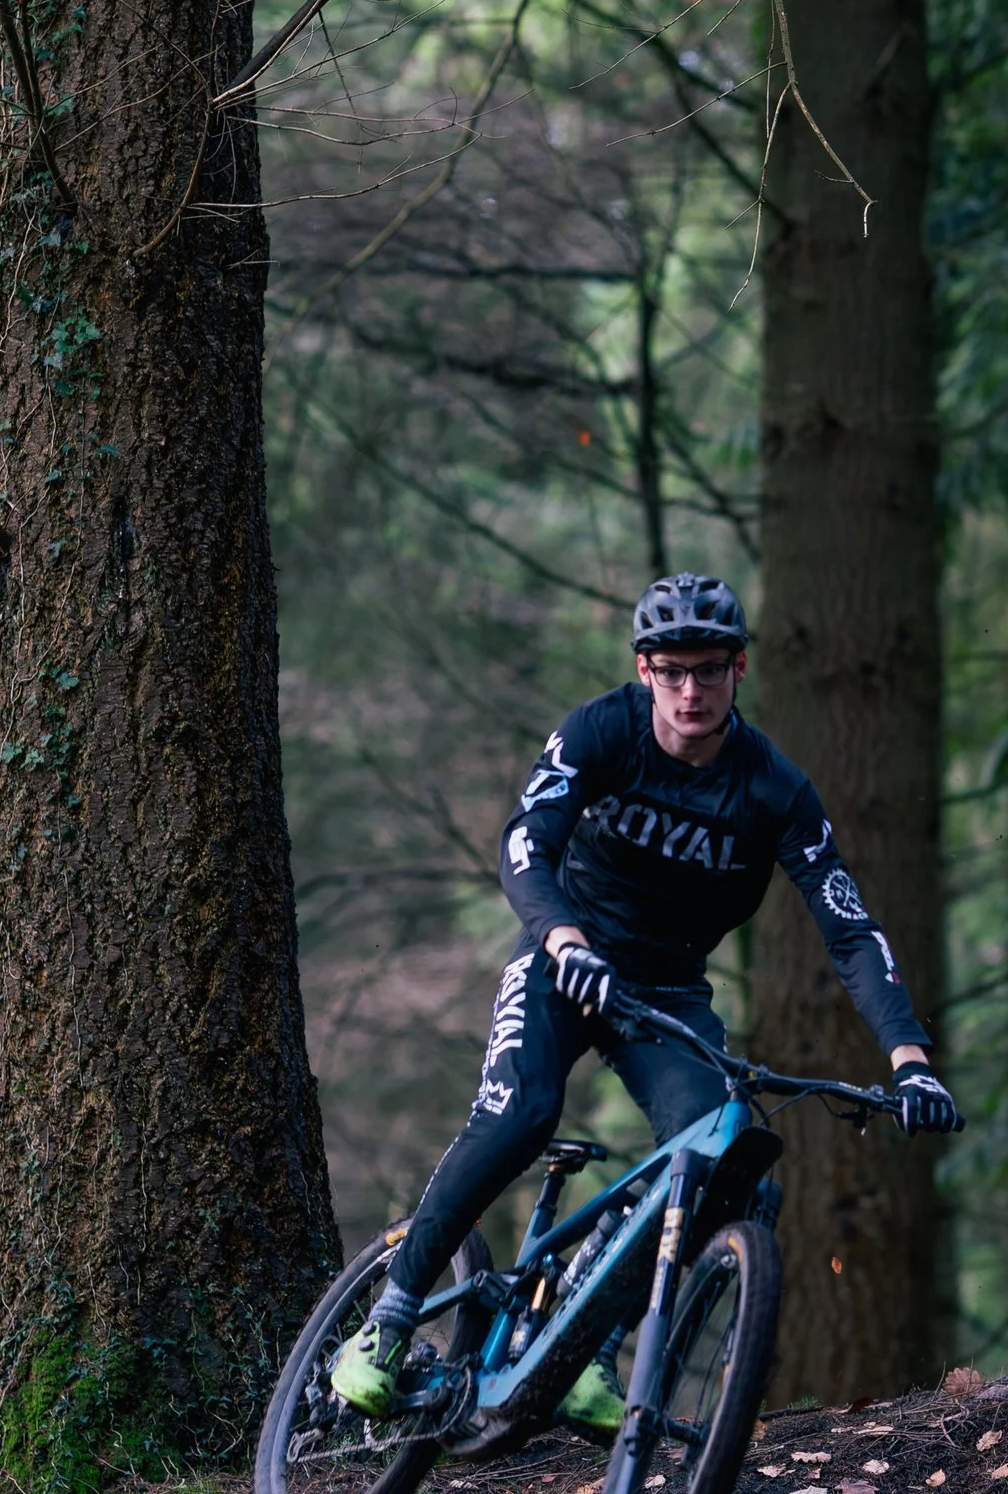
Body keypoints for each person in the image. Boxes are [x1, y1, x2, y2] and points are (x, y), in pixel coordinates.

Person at [332, 574, 959, 1423]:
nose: (690, 691)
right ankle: (389, 1320)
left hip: (665, 991)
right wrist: (564, 940)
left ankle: (585, 1342)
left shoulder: (773, 790)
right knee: (520, 1114)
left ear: (739, 670)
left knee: (728, 1169)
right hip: (564, 958)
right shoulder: (601, 731)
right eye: (671, 672)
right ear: (644, 671)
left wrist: (910, 1061)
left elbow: (848, 929)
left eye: (709, 670)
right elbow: (525, 844)